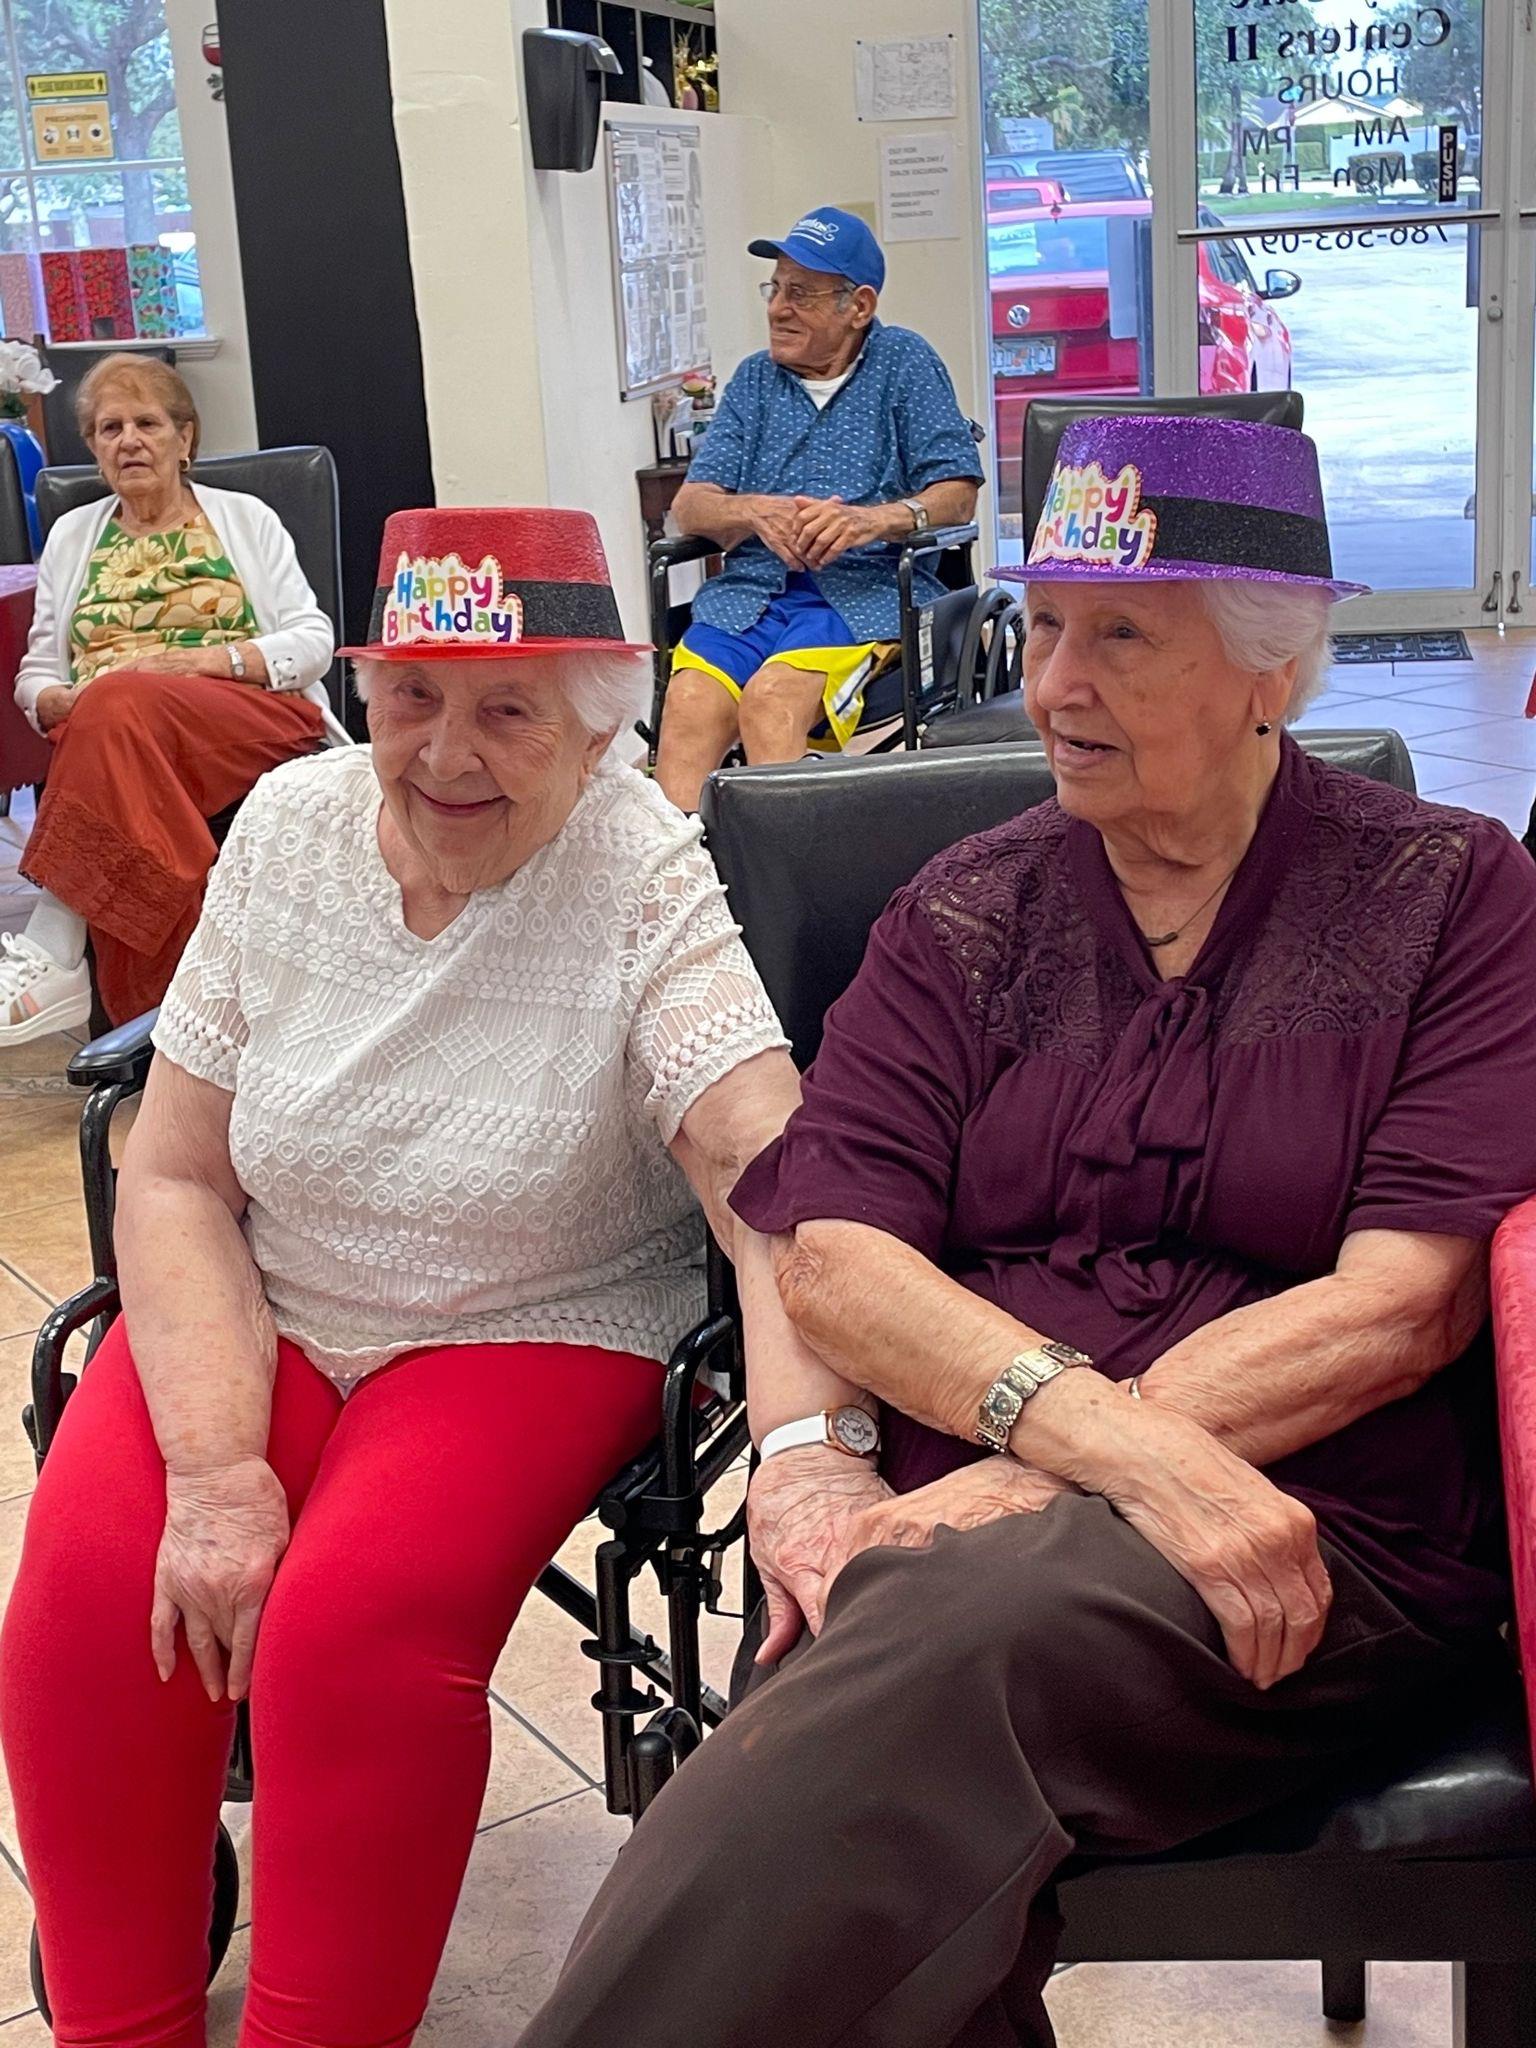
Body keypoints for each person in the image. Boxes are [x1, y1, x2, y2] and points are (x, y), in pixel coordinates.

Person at [518, 417, 1536, 2048]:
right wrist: (1078, 1445)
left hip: (1309, 1535)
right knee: (873, 1778)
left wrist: (1076, 1465)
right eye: (1047, 622)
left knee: (886, 1690)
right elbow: (834, 1248)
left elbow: (1397, 1306)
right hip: (983, 1527)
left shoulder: (1449, 895)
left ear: (1272, 670)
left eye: (1122, 636)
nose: (1054, 683)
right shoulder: (967, 909)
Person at [0, 507, 803, 2048]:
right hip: (277, 1284)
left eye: (508, 709)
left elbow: (762, 1179)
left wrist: (806, 1455)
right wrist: (218, 1470)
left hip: (535, 1310)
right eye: (412, 697)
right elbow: (171, 1174)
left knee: (352, 1638)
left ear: (595, 729)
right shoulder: (291, 829)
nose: (447, 749)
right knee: (97, 1600)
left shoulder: (642, 869)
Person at [0, 353, 344, 1043]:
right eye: (108, 427)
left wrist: (208, 661)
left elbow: (313, 639)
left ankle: (60, 944)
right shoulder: (73, 535)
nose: (129, 440)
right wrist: (52, 700)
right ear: (94, 447)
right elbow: (35, 671)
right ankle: (190, 1034)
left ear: (185, 439)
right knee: (121, 740)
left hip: (247, 717)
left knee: (121, 706)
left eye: (147, 423)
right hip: (115, 730)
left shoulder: (245, 518)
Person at [655, 206, 984, 809]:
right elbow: (691, 506)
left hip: (865, 597)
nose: (779, 308)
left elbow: (956, 491)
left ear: (857, 307)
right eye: (776, 289)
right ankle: (686, 889)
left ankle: (781, 892)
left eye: (801, 293)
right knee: (689, 708)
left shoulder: (905, 364)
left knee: (771, 701)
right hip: (749, 596)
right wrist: (753, 512)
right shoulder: (754, 381)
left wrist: (870, 521)